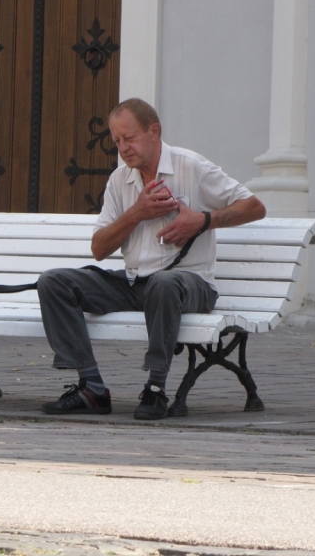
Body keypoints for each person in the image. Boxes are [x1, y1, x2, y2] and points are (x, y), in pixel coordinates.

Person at [37, 97, 266, 420]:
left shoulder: (191, 166)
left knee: (164, 282)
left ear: (154, 131)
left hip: (191, 282)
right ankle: (91, 388)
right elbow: (99, 249)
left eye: (129, 138)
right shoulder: (120, 180)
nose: (123, 147)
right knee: (55, 282)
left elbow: (255, 207)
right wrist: (137, 213)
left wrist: (202, 221)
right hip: (135, 282)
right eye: (116, 141)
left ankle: (156, 388)